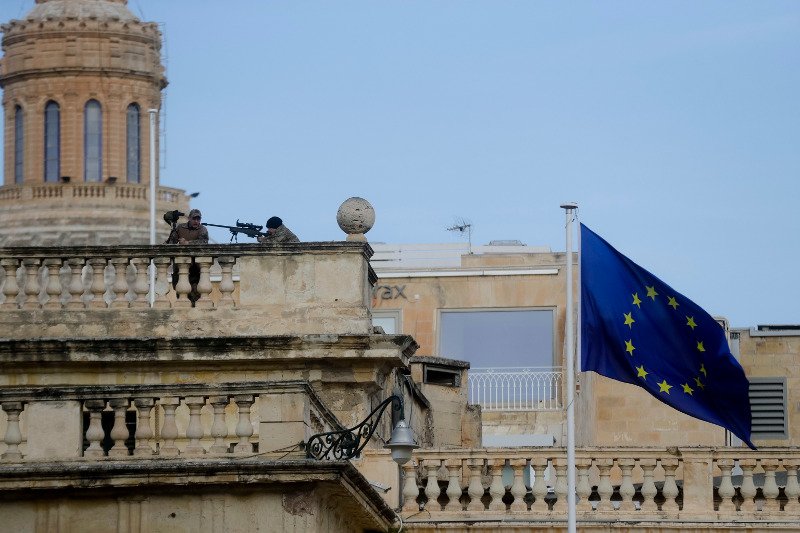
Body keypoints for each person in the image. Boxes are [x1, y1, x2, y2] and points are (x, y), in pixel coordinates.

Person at [166, 208, 208, 304]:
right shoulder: (181, 228)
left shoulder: (202, 229)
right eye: (194, 219)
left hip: (195, 269)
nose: (196, 221)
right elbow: (171, 243)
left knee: (195, 295)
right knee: (181, 294)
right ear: (189, 218)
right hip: (180, 268)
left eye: (198, 219)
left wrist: (187, 243)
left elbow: (204, 242)